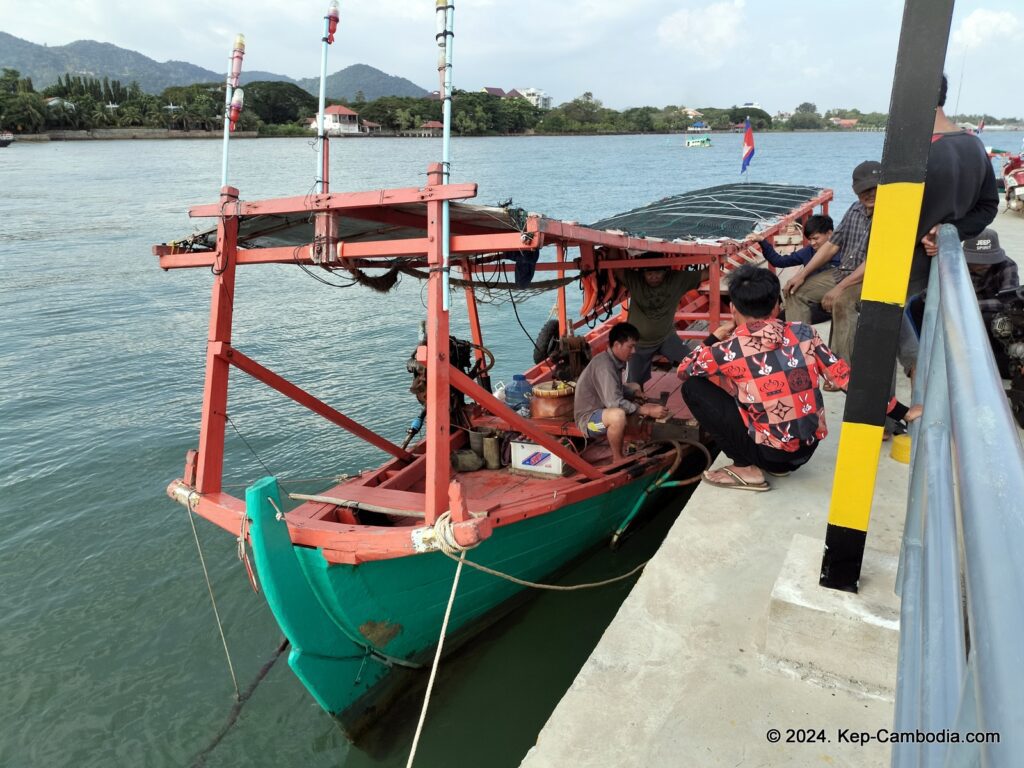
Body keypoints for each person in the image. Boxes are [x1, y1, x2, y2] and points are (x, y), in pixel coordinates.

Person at [677, 265, 921, 491]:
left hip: (770, 456)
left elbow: (684, 370)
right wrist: (903, 412)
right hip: (806, 451)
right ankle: (774, 460)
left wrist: (714, 338)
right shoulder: (804, 332)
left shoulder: (727, 350)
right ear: (776, 307)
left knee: (693, 387)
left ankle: (745, 468)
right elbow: (846, 379)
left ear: (733, 308)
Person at [784, 161, 880, 365]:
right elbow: (832, 245)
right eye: (864, 189)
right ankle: (801, 356)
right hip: (843, 272)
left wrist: (840, 288)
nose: (869, 193)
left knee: (842, 302)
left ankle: (840, 367)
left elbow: (875, 262)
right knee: (794, 291)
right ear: (856, 191)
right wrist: (802, 274)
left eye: (874, 188)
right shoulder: (855, 209)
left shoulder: (889, 215)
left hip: (869, 278)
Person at [908, 228, 1019, 376]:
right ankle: (928, 351)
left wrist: (968, 305)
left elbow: (1009, 302)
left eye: (988, 260)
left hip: (987, 315)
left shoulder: (1007, 266)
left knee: (996, 322)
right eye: (978, 261)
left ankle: (988, 360)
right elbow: (928, 295)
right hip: (956, 310)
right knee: (916, 305)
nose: (983, 265)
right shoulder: (954, 263)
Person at [574, 322, 670, 463]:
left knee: (634, 386)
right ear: (617, 345)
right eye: (630, 347)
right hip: (589, 422)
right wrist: (647, 410)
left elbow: (614, 388)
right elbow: (614, 403)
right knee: (617, 416)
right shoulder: (604, 366)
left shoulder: (613, 361)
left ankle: (632, 435)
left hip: (601, 409)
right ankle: (618, 458)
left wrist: (634, 393)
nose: (634, 351)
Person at [618, 258, 704, 386]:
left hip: (666, 337)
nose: (654, 277)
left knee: (694, 366)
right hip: (638, 343)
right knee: (634, 385)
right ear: (643, 274)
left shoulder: (677, 280)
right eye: (650, 274)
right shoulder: (635, 281)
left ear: (666, 272)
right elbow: (616, 268)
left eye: (658, 273)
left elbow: (706, 273)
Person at [749, 214, 837, 275]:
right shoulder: (807, 252)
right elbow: (778, 261)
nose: (812, 243)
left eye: (815, 238)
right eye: (809, 239)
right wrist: (762, 241)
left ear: (829, 233)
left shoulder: (844, 250)